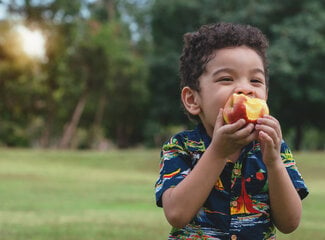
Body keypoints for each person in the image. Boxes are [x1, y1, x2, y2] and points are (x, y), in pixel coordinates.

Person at [155, 22, 308, 240]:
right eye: (226, 79)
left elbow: (289, 223)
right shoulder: (181, 147)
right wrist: (218, 152)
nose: (246, 89)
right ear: (192, 99)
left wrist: (274, 162)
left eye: (255, 80)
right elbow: (177, 214)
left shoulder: (275, 149)